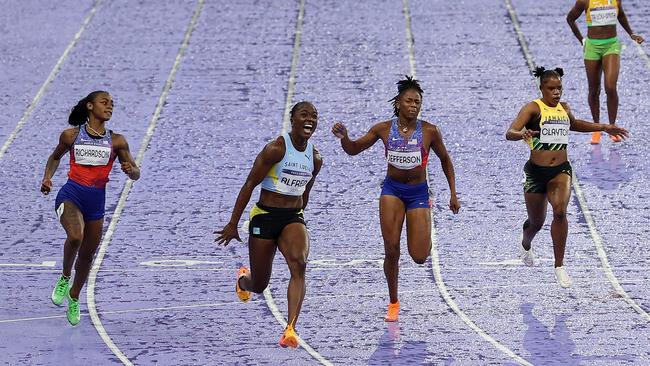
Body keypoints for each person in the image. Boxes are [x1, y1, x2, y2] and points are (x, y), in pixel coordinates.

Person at [331, 76, 460, 322]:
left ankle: (422, 232)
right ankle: (393, 301)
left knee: (420, 256)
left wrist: (453, 192)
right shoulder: (383, 129)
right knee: (391, 250)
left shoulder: (430, 131)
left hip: (419, 193)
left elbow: (445, 160)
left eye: (418, 102)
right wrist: (345, 137)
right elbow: (354, 149)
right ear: (398, 103)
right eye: (409, 101)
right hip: (392, 191)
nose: (414, 105)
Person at [505, 67, 628, 288]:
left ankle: (559, 266)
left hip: (560, 171)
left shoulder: (564, 109)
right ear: (541, 88)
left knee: (560, 212)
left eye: (559, 88)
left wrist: (604, 127)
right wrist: (521, 133)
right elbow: (510, 132)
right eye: (551, 88)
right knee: (536, 223)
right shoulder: (533, 108)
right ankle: (525, 244)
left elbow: (575, 124)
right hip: (535, 173)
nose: (556, 92)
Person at [215, 101, 322, 349]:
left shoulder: (315, 158)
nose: (310, 119)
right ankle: (243, 281)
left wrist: (299, 218)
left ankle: (291, 329)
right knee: (260, 284)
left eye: (314, 116)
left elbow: (305, 193)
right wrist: (233, 223)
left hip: (292, 217)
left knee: (300, 264)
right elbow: (250, 184)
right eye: (304, 115)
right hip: (264, 216)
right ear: (292, 119)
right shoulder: (275, 149)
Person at [41, 91, 140, 325]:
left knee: (87, 255)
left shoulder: (117, 141)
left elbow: (136, 172)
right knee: (75, 237)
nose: (109, 107)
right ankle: (65, 277)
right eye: (104, 103)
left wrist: (130, 170)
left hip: (96, 204)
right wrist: (47, 177)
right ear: (89, 106)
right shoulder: (71, 136)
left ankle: (74, 295)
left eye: (112, 105)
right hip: (71, 195)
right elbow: (55, 157)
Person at [566, 0, 644, 144]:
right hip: (592, 47)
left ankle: (612, 127)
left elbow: (620, 16)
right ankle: (596, 129)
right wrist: (582, 40)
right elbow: (570, 19)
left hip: (611, 45)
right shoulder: (584, 1)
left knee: (610, 87)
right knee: (594, 90)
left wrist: (631, 33)